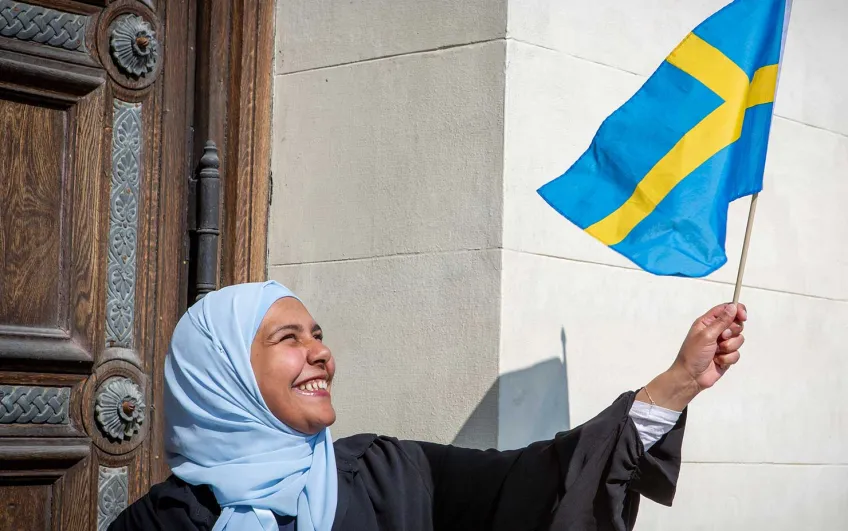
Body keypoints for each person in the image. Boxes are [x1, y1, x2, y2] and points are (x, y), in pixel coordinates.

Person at [109, 280, 747, 531]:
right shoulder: (161, 525)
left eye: (320, 335)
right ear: (220, 377)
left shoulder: (387, 476)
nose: (321, 355)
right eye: (288, 338)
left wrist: (676, 384)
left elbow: (535, 480)